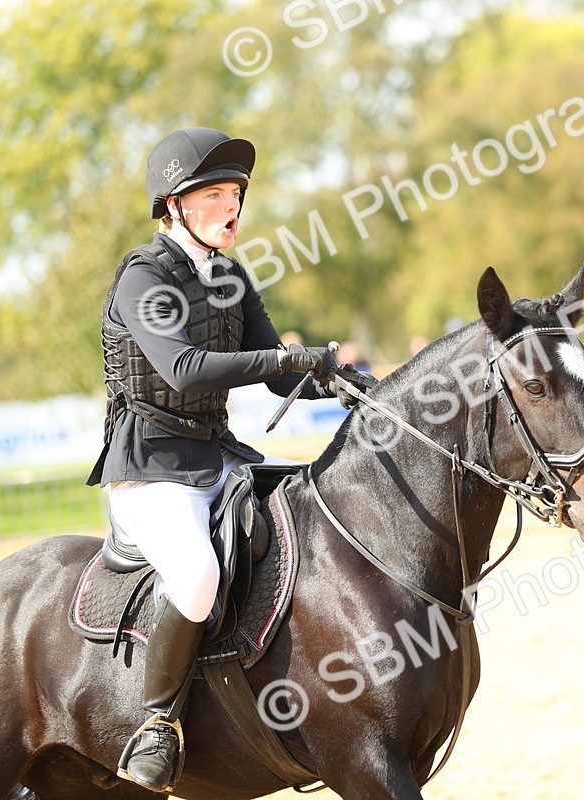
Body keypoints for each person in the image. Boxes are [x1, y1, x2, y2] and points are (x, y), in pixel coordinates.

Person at [85, 127, 372, 792]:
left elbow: (278, 376)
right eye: (213, 194)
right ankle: (158, 725)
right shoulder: (143, 277)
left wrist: (340, 377)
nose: (231, 206)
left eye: (235, 193)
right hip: (152, 466)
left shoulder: (230, 275)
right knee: (194, 575)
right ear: (174, 206)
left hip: (219, 455)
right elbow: (183, 370)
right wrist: (282, 358)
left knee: (315, 509)